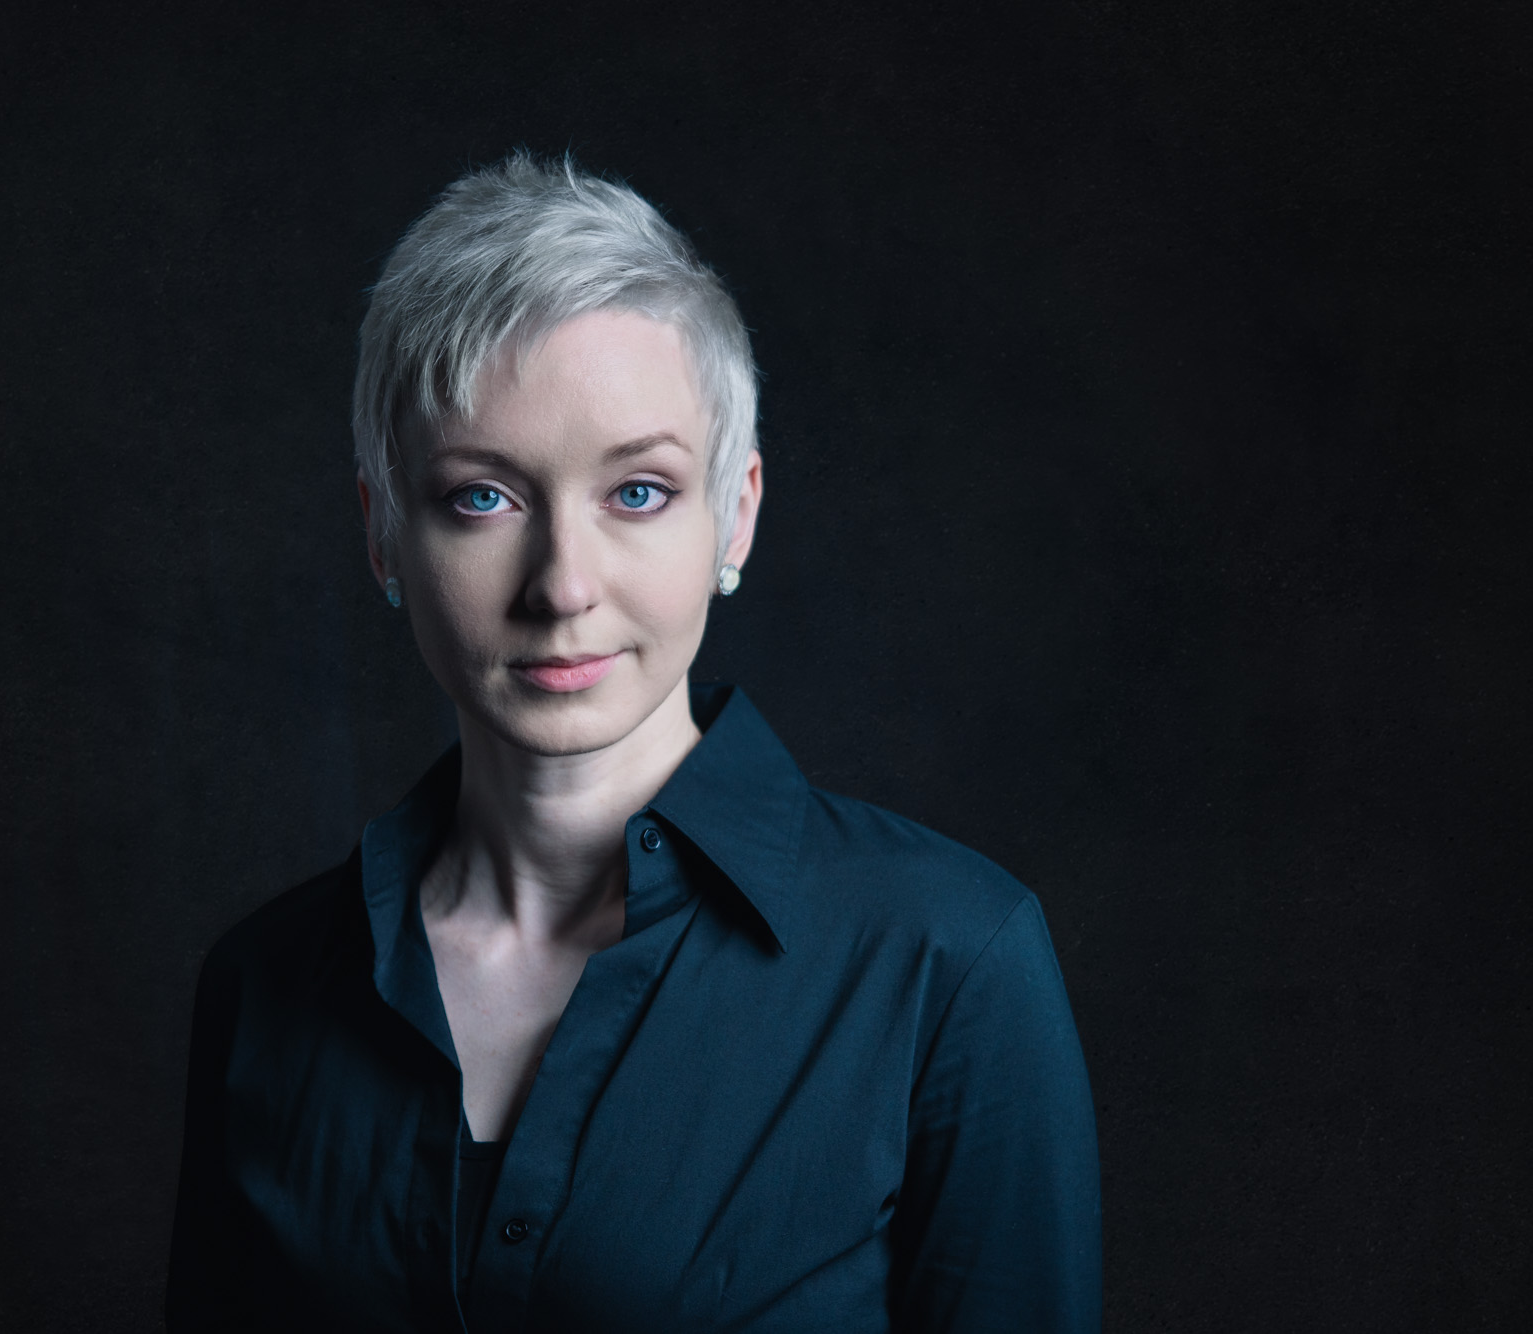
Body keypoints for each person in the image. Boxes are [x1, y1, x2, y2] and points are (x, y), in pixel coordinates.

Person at [166, 153, 1101, 1332]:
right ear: (383, 534)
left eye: (638, 492)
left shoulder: (949, 961)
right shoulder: (263, 987)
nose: (562, 585)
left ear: (737, 513)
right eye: (482, 497)